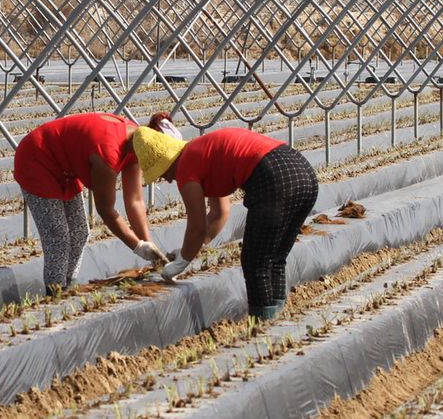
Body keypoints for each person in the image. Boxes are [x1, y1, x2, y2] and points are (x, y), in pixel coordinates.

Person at [136, 125, 318, 322]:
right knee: (275, 258)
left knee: (255, 263)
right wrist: (188, 249)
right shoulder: (201, 153)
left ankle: (263, 328)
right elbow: (218, 213)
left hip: (274, 178)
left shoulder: (185, 169)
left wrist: (182, 262)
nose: (167, 180)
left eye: (162, 174)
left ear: (166, 163)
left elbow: (196, 226)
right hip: (303, 172)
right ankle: (277, 323)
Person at [14, 112, 174, 291]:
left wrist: (149, 246)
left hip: (64, 164)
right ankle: (55, 295)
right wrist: (137, 246)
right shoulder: (108, 153)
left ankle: (68, 287)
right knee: (59, 238)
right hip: (37, 157)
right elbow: (106, 210)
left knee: (80, 232)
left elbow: (135, 201)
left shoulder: (139, 141)